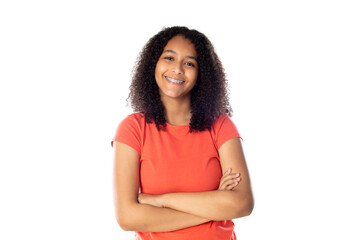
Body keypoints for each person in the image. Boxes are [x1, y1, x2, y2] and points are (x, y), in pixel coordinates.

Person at [111, 26, 254, 240]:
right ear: (154, 65)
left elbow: (242, 204)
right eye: (169, 58)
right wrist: (215, 207)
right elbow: (128, 217)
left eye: (189, 63)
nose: (177, 69)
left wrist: (160, 200)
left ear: (200, 75)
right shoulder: (132, 129)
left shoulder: (220, 126)